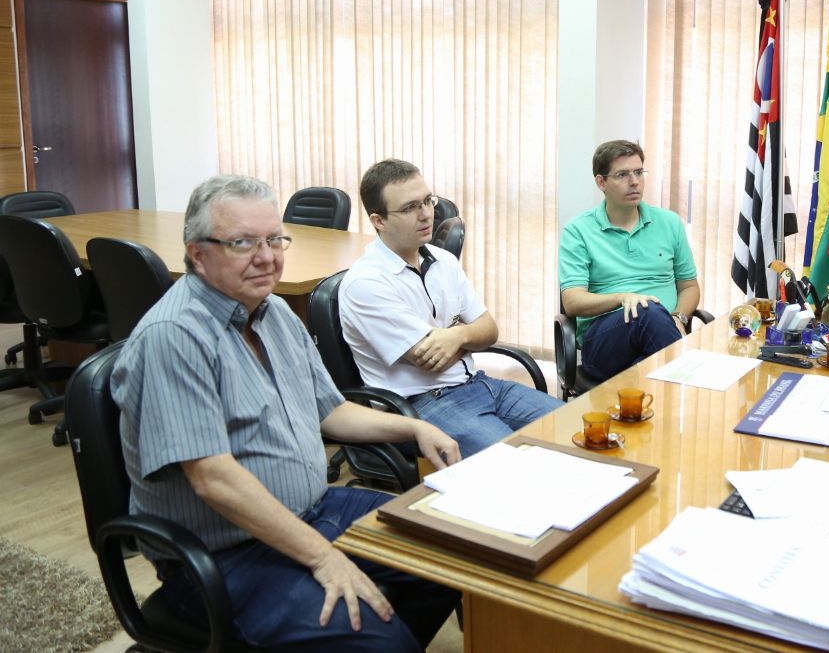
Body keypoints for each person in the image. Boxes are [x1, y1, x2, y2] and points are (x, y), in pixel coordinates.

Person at [112, 175, 460, 651]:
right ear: (198, 253)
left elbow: (331, 413)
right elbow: (212, 478)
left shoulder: (273, 313)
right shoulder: (174, 336)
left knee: (454, 551)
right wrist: (321, 557)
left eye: (275, 239)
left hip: (314, 511)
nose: (267, 256)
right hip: (226, 553)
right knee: (378, 641)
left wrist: (416, 426)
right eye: (242, 243)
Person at [340, 159, 560, 458]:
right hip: (423, 405)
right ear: (379, 220)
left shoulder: (443, 260)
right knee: (518, 463)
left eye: (428, 201)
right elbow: (429, 360)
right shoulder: (366, 283)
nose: (426, 214)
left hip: (478, 384)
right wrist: (468, 334)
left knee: (575, 431)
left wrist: (455, 337)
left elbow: (490, 330)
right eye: (410, 208)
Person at [558, 140, 701, 383]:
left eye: (638, 172)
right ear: (601, 182)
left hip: (662, 335)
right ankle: (693, 382)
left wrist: (678, 318)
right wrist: (622, 298)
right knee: (647, 310)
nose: (634, 181)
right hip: (605, 342)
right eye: (623, 174)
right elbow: (572, 302)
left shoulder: (669, 223)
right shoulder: (578, 231)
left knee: (645, 372)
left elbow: (689, 287)